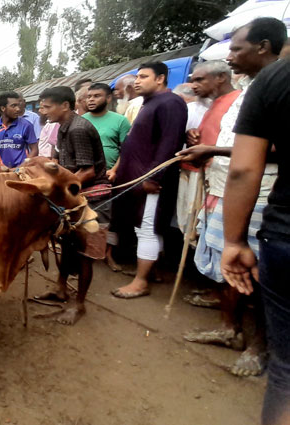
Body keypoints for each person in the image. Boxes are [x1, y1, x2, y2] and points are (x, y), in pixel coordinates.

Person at [178, 17, 286, 380]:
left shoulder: (278, 85)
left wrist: (216, 150)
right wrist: (209, 149)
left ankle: (259, 346)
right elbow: (239, 144)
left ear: (264, 47)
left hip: (262, 192)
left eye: (237, 49)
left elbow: (269, 150)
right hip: (228, 187)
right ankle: (229, 328)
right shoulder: (248, 87)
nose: (231, 56)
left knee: (257, 272)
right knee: (231, 265)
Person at [221, 57, 290, 425]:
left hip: (285, 234)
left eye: (238, 47)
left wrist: (234, 240)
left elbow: (246, 167)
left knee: (288, 369)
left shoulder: (276, 77)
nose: (232, 55)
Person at [33, 86, 110, 325]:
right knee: (66, 245)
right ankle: (61, 289)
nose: (42, 111)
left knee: (85, 253)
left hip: (93, 197)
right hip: (75, 196)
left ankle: (79, 305)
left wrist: (59, 189)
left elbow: (88, 171)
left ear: (64, 106)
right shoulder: (63, 128)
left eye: (47, 106)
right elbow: (64, 163)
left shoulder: (78, 129)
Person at [110, 62, 188, 299]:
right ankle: (151, 271)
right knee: (146, 228)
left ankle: (141, 281)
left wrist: (154, 177)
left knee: (147, 229)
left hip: (151, 182)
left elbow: (170, 143)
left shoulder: (171, 103)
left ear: (160, 79)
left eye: (143, 76)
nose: (137, 81)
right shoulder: (150, 103)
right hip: (138, 180)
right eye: (137, 77)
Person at [176, 61, 240, 236]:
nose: (193, 86)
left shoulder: (238, 101)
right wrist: (192, 135)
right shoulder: (211, 104)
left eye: (199, 80)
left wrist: (210, 150)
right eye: (193, 80)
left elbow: (245, 146)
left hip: (222, 182)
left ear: (221, 77)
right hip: (202, 174)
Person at [83, 82, 131, 271]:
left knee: (109, 220)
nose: (92, 100)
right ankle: (87, 253)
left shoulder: (120, 121)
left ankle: (108, 255)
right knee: (85, 216)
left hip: (110, 177)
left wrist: (115, 170)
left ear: (108, 98)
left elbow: (126, 150)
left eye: (96, 96)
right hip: (86, 177)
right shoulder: (82, 120)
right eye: (89, 96)